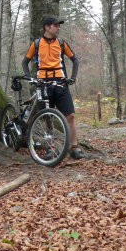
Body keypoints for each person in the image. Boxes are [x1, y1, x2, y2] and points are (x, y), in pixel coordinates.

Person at [22, 16, 86, 160]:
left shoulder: (61, 43)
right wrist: (29, 77)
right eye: (55, 25)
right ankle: (50, 148)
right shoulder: (37, 44)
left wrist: (73, 77)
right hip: (43, 83)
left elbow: (74, 59)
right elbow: (25, 61)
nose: (58, 28)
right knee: (47, 117)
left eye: (58, 25)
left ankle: (74, 147)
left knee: (70, 115)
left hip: (60, 83)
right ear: (47, 27)